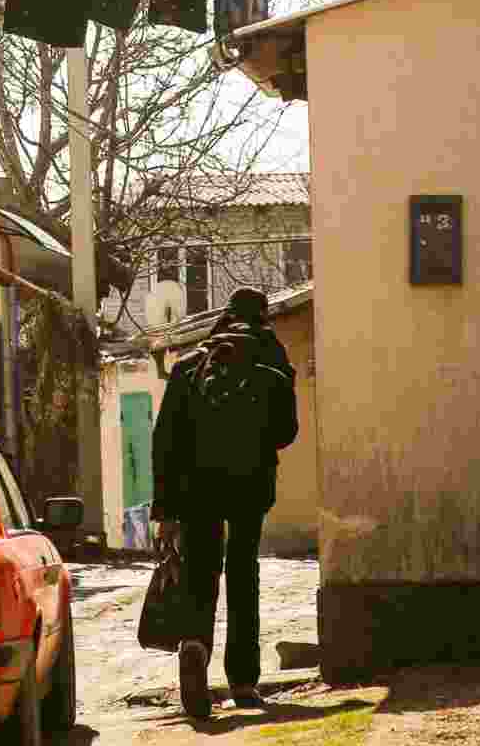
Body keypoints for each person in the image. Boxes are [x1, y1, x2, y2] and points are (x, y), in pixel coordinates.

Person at [150, 285, 298, 718]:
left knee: (201, 571)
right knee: (242, 573)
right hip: (250, 488)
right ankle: (244, 682)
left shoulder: (191, 365)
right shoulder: (271, 360)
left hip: (197, 490)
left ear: (226, 316)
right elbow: (287, 432)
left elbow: (166, 443)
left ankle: (195, 644)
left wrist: (165, 510)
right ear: (263, 317)